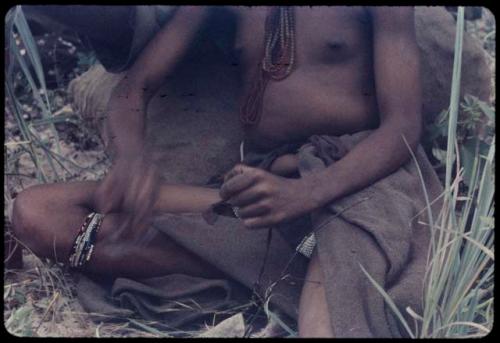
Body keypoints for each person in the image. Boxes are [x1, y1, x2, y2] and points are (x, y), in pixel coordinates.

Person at [11, 6, 443, 337]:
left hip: (352, 177)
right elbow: (133, 88)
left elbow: (402, 126)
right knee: (38, 213)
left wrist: (309, 192)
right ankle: (278, 271)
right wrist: (131, 160)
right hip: (261, 191)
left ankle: (310, 272)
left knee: (325, 327)